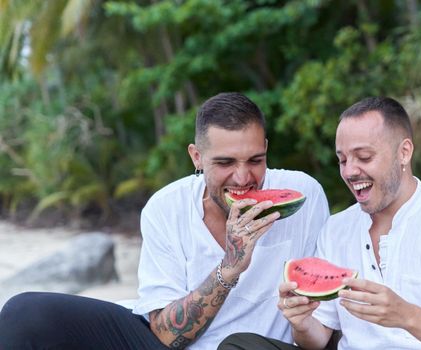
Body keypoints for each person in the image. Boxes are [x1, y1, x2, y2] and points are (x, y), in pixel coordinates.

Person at [0, 92, 330, 349]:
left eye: (256, 160)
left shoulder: (304, 195)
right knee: (24, 313)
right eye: (225, 162)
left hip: (256, 347)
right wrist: (230, 268)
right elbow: (165, 336)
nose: (244, 178)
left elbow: (323, 320)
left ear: (267, 150)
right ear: (196, 157)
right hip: (171, 345)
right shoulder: (165, 208)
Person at [218, 96, 421, 350]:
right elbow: (319, 339)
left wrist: (406, 316)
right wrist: (302, 321)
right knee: (238, 345)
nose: (350, 171)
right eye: (342, 159)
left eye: (363, 157)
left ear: (404, 152)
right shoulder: (336, 230)